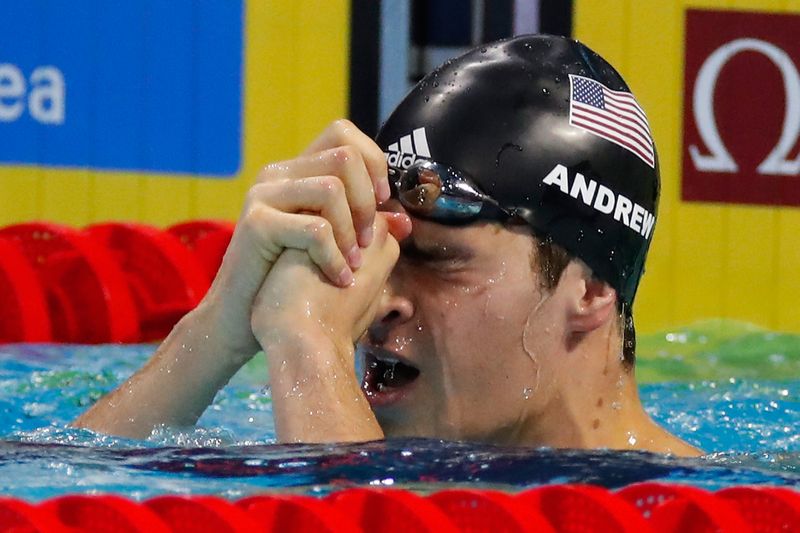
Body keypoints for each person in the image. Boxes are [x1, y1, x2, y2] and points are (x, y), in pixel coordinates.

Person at [74, 35, 701, 456]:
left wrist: (310, 346)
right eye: (373, 250)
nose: (374, 299)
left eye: (436, 259)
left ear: (590, 289)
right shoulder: (320, 436)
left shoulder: (696, 509)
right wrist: (218, 328)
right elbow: (72, 490)